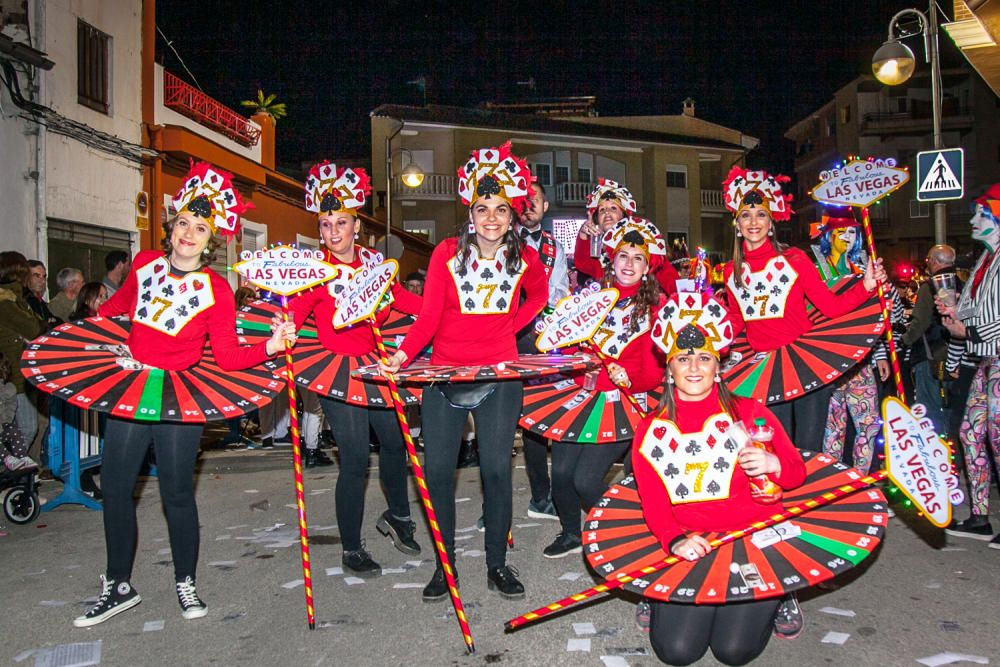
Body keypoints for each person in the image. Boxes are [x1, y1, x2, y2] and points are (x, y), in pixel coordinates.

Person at [74, 162, 296, 627]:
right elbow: (113, 313)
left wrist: (271, 345)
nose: (189, 234)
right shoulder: (143, 265)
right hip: (132, 388)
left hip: (180, 397)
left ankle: (185, 581)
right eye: (183, 224)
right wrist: (85, 340)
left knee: (176, 492)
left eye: (200, 227)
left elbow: (229, 357)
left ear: (210, 237)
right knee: (116, 489)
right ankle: (118, 585)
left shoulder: (217, 288)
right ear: (170, 226)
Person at [382, 142, 548, 601]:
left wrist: (511, 326)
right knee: (437, 474)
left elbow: (537, 296)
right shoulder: (446, 254)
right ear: (469, 212)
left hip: (498, 375)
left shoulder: (527, 260)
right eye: (481, 208)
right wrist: (403, 356)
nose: (491, 217)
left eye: (500, 209)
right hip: (445, 374)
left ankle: (497, 563)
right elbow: (429, 316)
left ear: (513, 214)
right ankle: (444, 567)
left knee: (496, 471)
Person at [633, 290, 806, 665]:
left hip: (751, 537)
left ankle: (781, 595)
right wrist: (674, 540)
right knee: (677, 651)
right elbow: (654, 502)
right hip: (693, 540)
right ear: (669, 368)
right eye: (683, 358)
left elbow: (796, 474)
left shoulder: (749, 412)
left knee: (733, 651)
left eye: (704, 358)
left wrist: (775, 465)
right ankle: (658, 595)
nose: (694, 367)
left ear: (719, 366)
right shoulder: (651, 428)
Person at [287, 160, 422, 573]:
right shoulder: (316, 272)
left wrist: (445, 312)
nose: (333, 232)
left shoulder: (375, 268)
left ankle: (397, 517)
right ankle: (351, 547)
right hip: (337, 368)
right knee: (356, 459)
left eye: (340, 223)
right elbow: (294, 310)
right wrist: (285, 322)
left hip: (377, 365)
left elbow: (405, 302)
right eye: (325, 224)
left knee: (396, 445)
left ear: (356, 225)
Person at [527, 216, 666, 558]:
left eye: (638, 258)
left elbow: (656, 372)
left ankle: (627, 526)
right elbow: (570, 349)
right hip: (580, 395)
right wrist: (575, 360)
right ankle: (571, 533)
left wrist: (626, 378)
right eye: (623, 255)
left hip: (624, 402)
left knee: (585, 481)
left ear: (648, 267)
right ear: (610, 260)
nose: (629, 264)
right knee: (560, 474)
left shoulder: (655, 309)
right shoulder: (588, 299)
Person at [721, 168, 886, 450]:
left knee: (809, 447)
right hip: (764, 371)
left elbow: (831, 307)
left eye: (761, 214)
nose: (753, 222)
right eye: (746, 215)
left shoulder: (795, 259)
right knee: (776, 450)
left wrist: (866, 285)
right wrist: (710, 335)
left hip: (806, 364)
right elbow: (736, 320)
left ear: (771, 223)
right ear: (737, 225)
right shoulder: (730, 271)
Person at [811, 213, 898, 474]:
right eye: (841, 233)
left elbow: (880, 316)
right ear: (828, 236)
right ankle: (832, 484)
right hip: (828, 364)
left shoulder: (863, 267)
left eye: (852, 233)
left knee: (869, 426)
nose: (847, 238)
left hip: (860, 362)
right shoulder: (816, 270)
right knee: (833, 430)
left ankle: (860, 482)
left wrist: (880, 353)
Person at [939, 183, 1000, 547]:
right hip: (985, 362)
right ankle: (980, 516)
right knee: (969, 433)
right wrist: (955, 314)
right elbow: (975, 310)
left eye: (981, 214)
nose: (974, 219)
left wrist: (968, 328)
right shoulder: (983, 260)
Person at [516, 181, 570, 520]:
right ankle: (489, 506)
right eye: (523, 200)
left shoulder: (555, 247)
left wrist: (548, 315)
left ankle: (544, 495)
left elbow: (561, 289)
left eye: (534, 199)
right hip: (507, 336)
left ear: (545, 206)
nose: (529, 205)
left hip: (541, 336)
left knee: (542, 414)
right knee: (506, 416)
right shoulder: (504, 238)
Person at [574, 179, 679, 294]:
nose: (607, 212)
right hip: (607, 307)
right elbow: (583, 264)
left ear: (624, 216)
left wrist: (687, 301)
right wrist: (583, 234)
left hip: (640, 305)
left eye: (613, 208)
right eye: (602, 210)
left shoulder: (643, 240)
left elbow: (670, 280)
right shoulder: (597, 248)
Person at [902, 245, 957, 437]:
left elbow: (921, 321)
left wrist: (905, 340)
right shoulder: (963, 282)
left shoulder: (930, 286)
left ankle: (935, 448)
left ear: (934, 261)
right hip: (958, 354)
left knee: (929, 405)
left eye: (928, 261)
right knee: (954, 403)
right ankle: (955, 447)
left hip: (930, 354)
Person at [0, 252, 45, 449]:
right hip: (13, 374)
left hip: (16, 373)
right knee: (27, 428)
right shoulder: (6, 301)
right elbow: (35, 328)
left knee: (20, 429)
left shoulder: (16, 299)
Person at [25, 260, 60, 327]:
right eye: (37, 276)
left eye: (44, 276)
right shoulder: (22, 301)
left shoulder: (39, 301)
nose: (43, 281)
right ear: (26, 277)